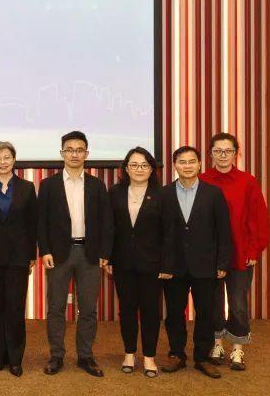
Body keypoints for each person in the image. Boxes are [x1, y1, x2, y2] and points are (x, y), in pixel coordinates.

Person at [38, 130, 112, 377]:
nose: (74, 154)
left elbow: (106, 222)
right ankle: (56, 356)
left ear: (86, 154)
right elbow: (41, 222)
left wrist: (105, 251)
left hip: (89, 253)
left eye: (79, 150)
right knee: (56, 307)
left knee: (88, 309)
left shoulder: (97, 185)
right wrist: (44, 251)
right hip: (59, 253)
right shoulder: (48, 185)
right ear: (62, 153)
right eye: (69, 150)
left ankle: (85, 355)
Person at [160, 146, 234, 379]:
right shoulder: (164, 194)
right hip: (173, 267)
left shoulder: (213, 193)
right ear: (175, 165)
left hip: (206, 265)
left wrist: (222, 263)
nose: (187, 166)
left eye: (192, 161)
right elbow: (158, 233)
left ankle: (202, 357)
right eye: (182, 162)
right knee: (174, 313)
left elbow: (223, 231)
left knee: (206, 313)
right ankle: (177, 354)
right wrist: (162, 264)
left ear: (200, 164)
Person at [200, 132, 270, 371]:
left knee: (238, 303)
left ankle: (238, 348)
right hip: (210, 255)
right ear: (210, 154)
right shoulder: (202, 180)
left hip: (241, 252)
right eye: (217, 151)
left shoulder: (247, 181)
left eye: (228, 151)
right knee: (213, 302)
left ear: (236, 153)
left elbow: (259, 218)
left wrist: (254, 250)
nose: (223, 155)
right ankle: (217, 344)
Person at [106, 147, 173, 378]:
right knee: (126, 310)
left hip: (152, 263)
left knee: (150, 311)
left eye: (144, 165)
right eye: (134, 165)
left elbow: (169, 233)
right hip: (122, 262)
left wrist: (166, 264)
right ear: (126, 168)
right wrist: (109, 257)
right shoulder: (114, 192)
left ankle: (149, 357)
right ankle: (129, 354)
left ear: (152, 169)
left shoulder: (162, 195)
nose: (139, 169)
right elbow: (110, 228)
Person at [0, 140, 38, 377]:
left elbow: (33, 224)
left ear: (14, 160)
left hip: (19, 257)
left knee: (15, 307)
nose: (2, 162)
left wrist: (31, 255)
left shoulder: (27, 187)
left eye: (7, 157)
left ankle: (15, 359)